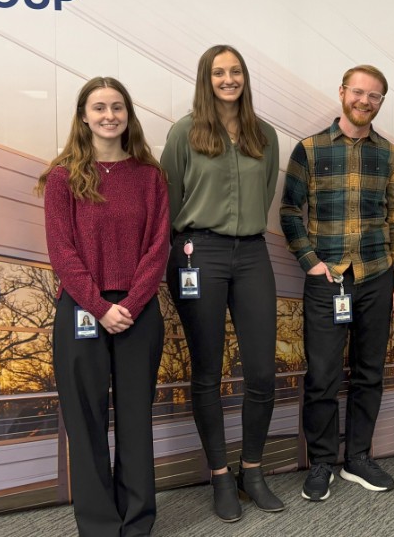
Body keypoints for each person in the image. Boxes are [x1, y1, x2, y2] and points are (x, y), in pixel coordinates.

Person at [36, 76, 170, 537]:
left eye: (117, 107)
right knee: (86, 419)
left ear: (128, 115)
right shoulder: (62, 178)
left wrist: (129, 304)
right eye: (99, 108)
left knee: (135, 417)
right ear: (83, 116)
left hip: (139, 309)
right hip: (80, 310)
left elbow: (158, 247)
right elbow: (62, 252)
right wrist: (98, 306)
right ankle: (98, 525)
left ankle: (136, 521)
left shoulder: (150, 177)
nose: (109, 115)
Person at [279, 64, 394, 502]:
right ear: (342, 93)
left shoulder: (390, 155)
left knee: (370, 372)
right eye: (358, 92)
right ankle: (321, 462)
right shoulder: (310, 149)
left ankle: (358, 457)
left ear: (380, 103)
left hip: (377, 275)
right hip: (328, 279)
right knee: (322, 375)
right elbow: (288, 212)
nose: (365, 101)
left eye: (374, 96)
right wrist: (310, 261)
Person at [160, 45, 283, 522]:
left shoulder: (264, 134)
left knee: (261, 373)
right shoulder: (184, 132)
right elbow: (169, 197)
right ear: (205, 79)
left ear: (244, 78)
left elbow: (266, 189)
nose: (228, 79)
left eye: (235, 72)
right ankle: (218, 476)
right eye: (219, 72)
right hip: (198, 254)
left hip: (252, 253)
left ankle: (251, 471)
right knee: (207, 372)